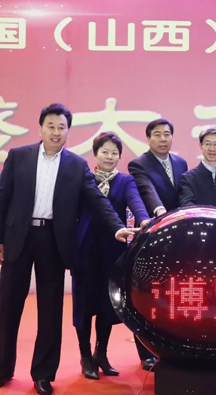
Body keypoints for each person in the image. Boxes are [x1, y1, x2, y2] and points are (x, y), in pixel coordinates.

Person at [0, 103, 137, 395]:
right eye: (51, 126)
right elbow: (1, 199)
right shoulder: (18, 156)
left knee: (50, 310)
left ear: (68, 131)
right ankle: (2, 370)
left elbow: (97, 200)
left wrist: (117, 227)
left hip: (53, 241)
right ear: (40, 128)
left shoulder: (76, 165)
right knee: (8, 307)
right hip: (18, 238)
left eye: (62, 127)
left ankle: (43, 374)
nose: (56, 132)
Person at [72, 132, 150, 380]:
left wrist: (144, 220)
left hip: (112, 251)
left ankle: (101, 354)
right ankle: (85, 356)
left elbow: (136, 202)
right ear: (95, 154)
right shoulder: (83, 179)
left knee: (107, 306)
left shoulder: (125, 181)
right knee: (84, 306)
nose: (109, 157)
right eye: (104, 152)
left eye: (114, 153)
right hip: (84, 251)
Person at [128, 118, 188, 370]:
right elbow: (147, 190)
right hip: (153, 234)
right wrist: (161, 212)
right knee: (147, 294)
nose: (163, 139)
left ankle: (173, 344)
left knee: (173, 294)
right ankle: (146, 352)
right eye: (157, 134)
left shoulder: (181, 163)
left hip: (178, 238)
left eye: (167, 134)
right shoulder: (138, 164)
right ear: (148, 138)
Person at [178, 126, 216, 210]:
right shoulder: (187, 178)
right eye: (207, 144)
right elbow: (187, 208)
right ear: (200, 145)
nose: (212, 149)